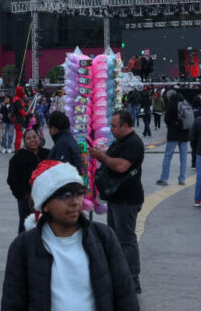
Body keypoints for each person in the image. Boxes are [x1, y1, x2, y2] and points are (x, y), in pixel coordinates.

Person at [0, 160, 139, 311]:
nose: (74, 202)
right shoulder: (23, 246)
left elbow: (125, 294)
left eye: (78, 193)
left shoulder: (104, 237)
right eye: (65, 195)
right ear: (45, 204)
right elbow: (13, 303)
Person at [90, 110, 145, 293]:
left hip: (127, 199)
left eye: (114, 126)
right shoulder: (120, 142)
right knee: (115, 238)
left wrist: (103, 157)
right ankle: (119, 275)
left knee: (127, 239)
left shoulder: (133, 143)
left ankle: (132, 280)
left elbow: (121, 166)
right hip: (116, 198)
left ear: (125, 126)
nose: (111, 129)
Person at [7, 127, 48, 233]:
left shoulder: (47, 154)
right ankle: (22, 247)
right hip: (26, 199)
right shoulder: (18, 158)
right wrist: (23, 195)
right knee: (25, 225)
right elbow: (12, 180)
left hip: (45, 198)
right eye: (28, 138)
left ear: (39, 138)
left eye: (34, 137)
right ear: (24, 142)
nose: (32, 140)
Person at [156, 89, 191, 185]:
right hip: (184, 134)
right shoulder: (185, 102)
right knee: (183, 158)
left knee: (168, 156)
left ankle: (164, 179)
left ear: (169, 96)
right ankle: (182, 179)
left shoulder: (171, 104)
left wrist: (171, 125)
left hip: (173, 134)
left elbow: (166, 119)